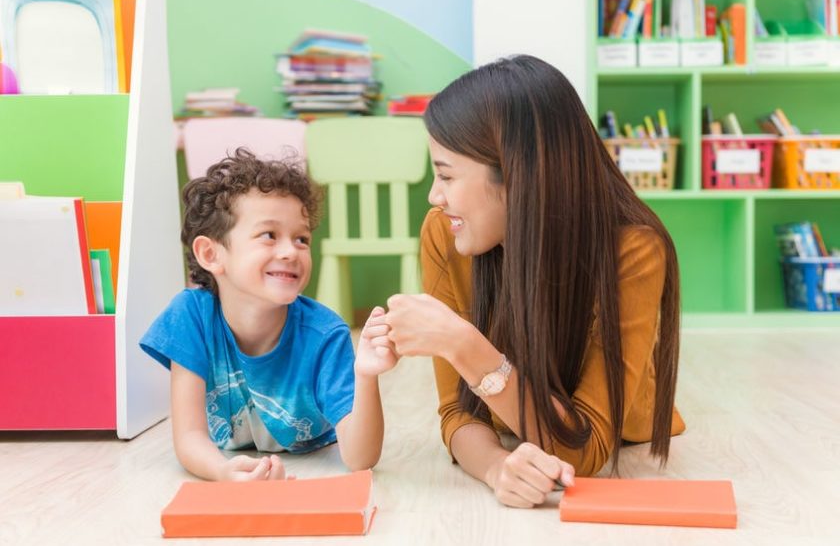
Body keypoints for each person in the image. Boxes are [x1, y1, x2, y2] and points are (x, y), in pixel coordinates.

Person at [384, 55, 685, 508]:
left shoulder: (633, 251)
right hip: (512, 433)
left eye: (446, 174)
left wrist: (463, 343)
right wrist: (494, 465)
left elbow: (585, 449)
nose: (435, 195)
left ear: (515, 178)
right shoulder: (443, 234)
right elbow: (457, 413)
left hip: (623, 440)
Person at [140, 148, 397, 481]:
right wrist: (222, 471)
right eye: (269, 235)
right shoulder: (190, 316)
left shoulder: (325, 334)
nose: (291, 251)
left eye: (301, 238)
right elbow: (189, 436)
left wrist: (366, 376)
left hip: (312, 457)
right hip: (228, 455)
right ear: (211, 253)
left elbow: (361, 459)